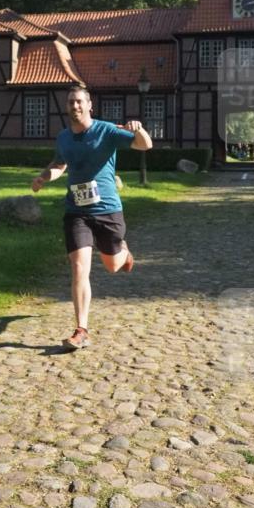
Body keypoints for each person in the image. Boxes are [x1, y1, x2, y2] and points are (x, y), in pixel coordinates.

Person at [31, 83, 153, 350]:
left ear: (89, 105)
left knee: (112, 265)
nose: (74, 106)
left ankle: (124, 252)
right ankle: (81, 330)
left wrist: (138, 129)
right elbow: (60, 164)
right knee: (78, 267)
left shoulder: (106, 130)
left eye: (79, 102)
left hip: (107, 209)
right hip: (76, 211)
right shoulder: (63, 137)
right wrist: (44, 176)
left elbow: (145, 145)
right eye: (70, 102)